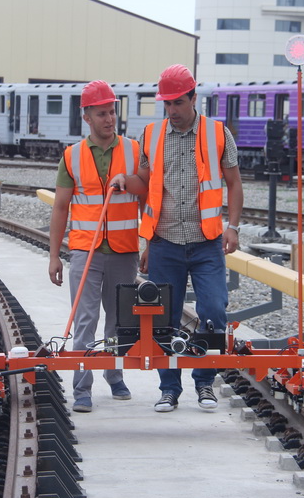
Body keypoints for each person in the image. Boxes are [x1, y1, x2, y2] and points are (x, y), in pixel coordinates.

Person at [110, 64, 243, 413]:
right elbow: (144, 182)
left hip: (206, 242)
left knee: (213, 311)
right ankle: (169, 388)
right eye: (167, 104)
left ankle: (204, 383)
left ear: (194, 98)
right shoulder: (152, 136)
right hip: (165, 242)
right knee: (162, 319)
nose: (173, 110)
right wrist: (126, 180)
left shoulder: (217, 133)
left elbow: (234, 183)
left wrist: (234, 226)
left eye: (178, 103)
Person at [48, 80, 142, 413]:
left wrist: (147, 243)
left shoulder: (133, 151)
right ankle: (82, 386)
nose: (109, 119)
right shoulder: (71, 157)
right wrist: (54, 256)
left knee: (118, 319)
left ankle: (114, 375)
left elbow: (147, 195)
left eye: (112, 111)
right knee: (85, 319)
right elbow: (60, 208)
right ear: (86, 116)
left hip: (124, 250)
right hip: (85, 251)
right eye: (101, 113)